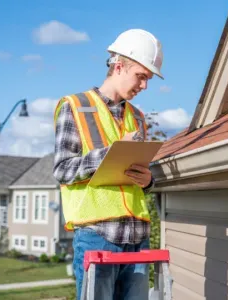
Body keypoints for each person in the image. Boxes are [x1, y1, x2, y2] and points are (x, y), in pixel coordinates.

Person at [53, 29, 164, 300]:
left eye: (148, 79)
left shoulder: (137, 118)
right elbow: (62, 170)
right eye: (141, 76)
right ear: (118, 66)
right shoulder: (75, 107)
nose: (144, 86)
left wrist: (147, 181)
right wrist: (109, 153)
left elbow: (138, 181)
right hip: (98, 235)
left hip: (138, 237)